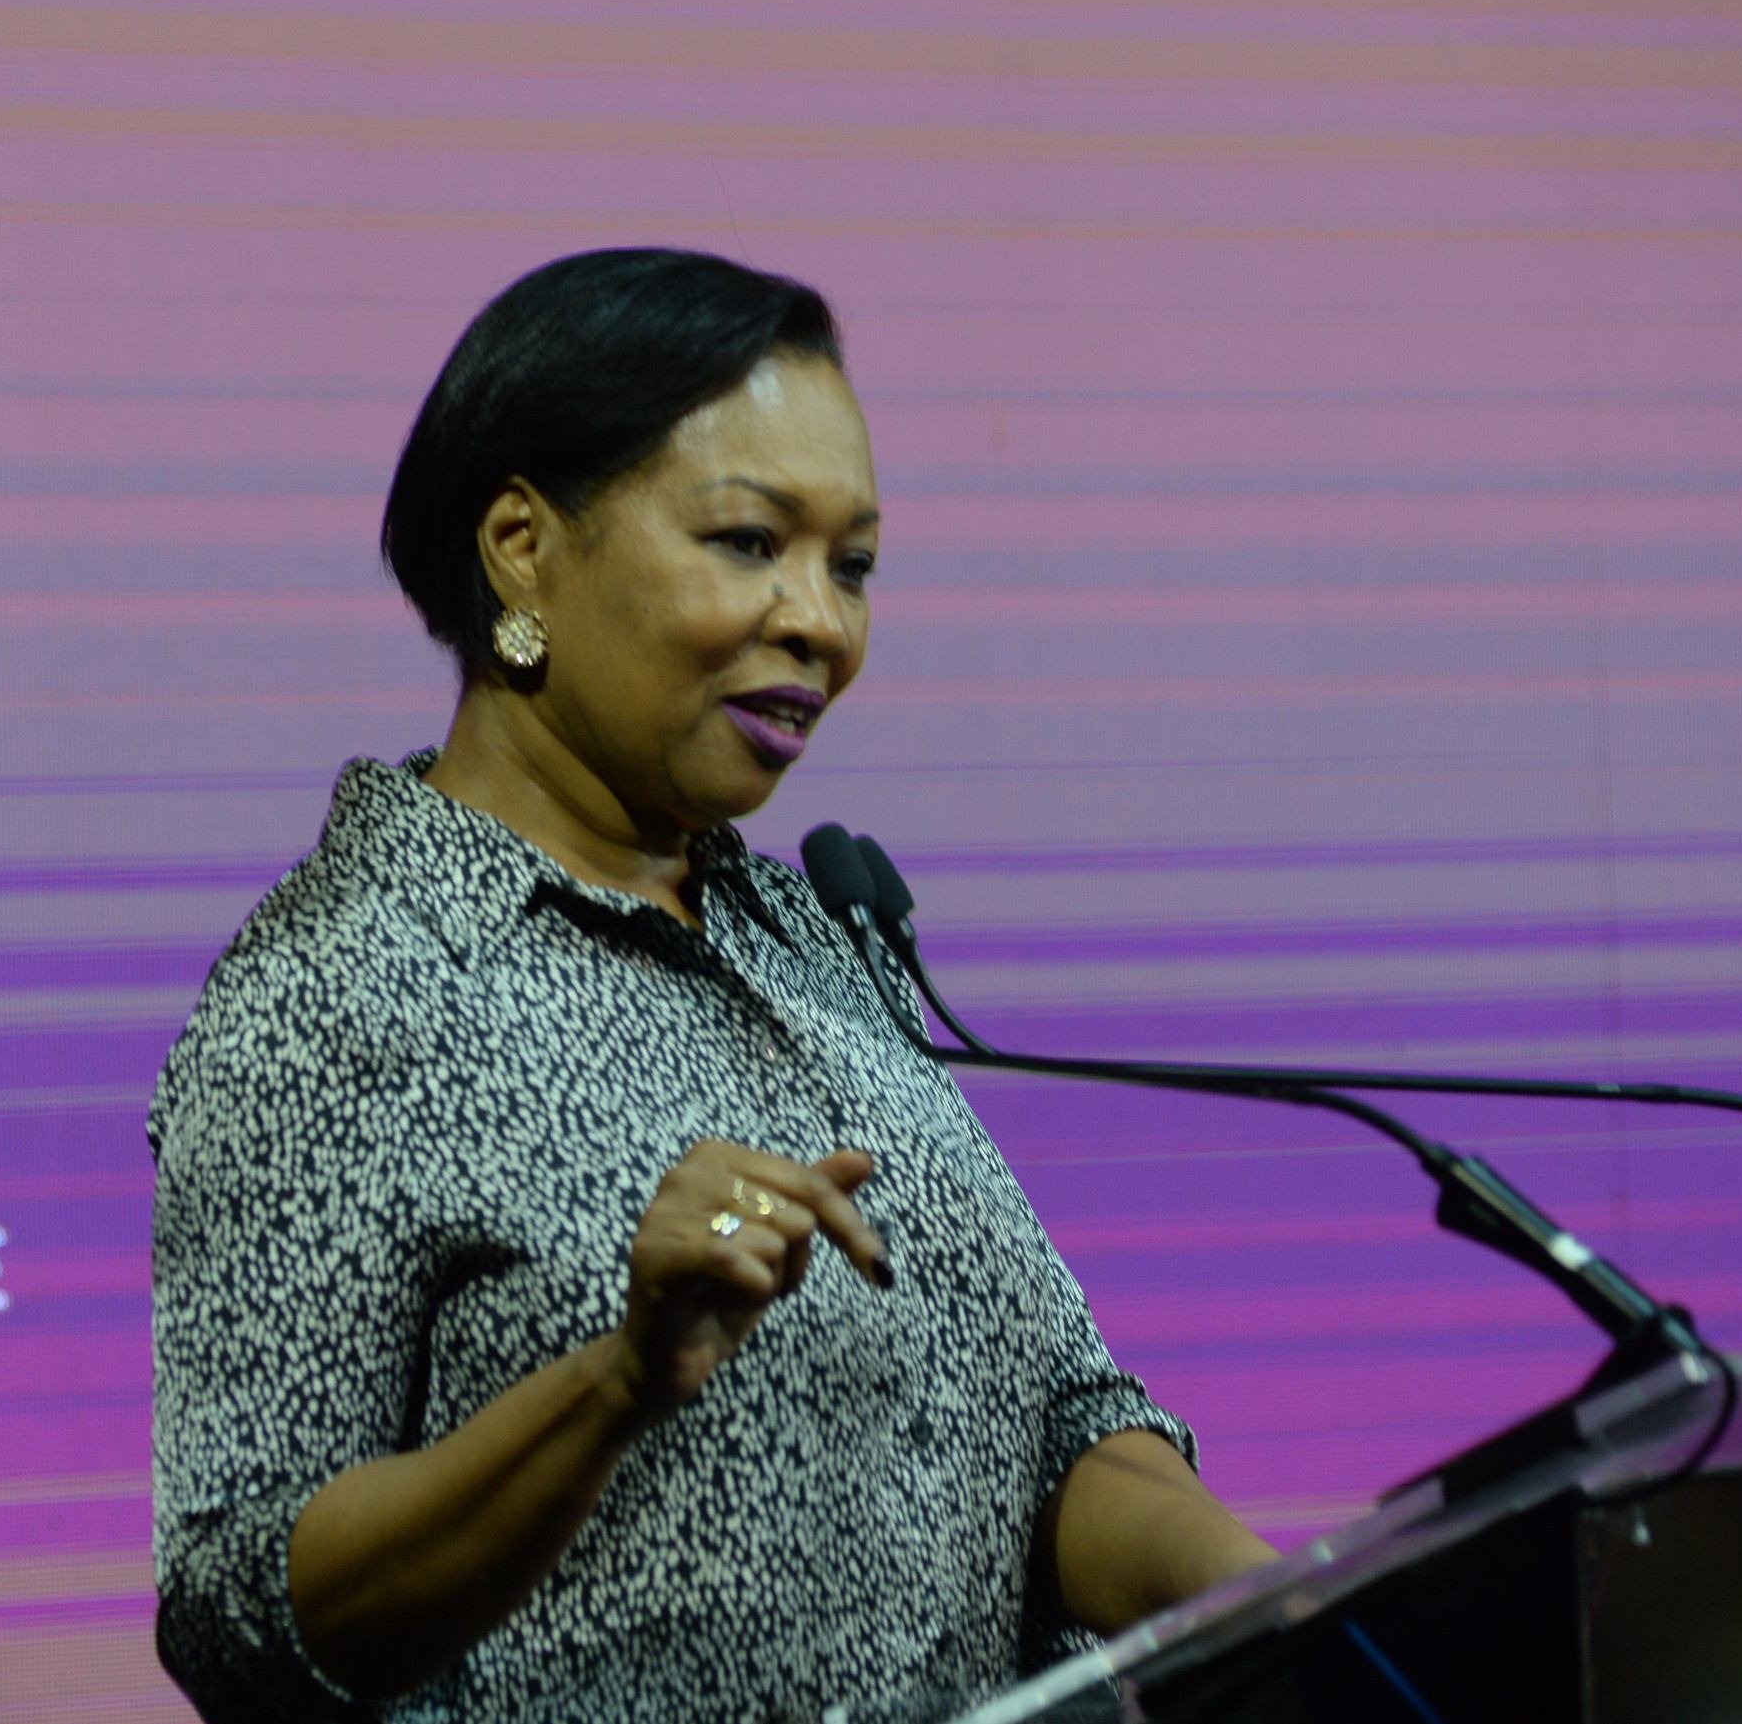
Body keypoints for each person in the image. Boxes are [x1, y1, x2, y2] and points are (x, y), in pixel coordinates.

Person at [148, 248, 1274, 1722]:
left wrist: (1295, 1611)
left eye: (852, 563)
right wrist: (619, 1377)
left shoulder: (811, 941)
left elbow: (1058, 1415)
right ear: (521, 546)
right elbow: (240, 1616)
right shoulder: (339, 990)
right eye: (751, 543)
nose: (822, 620)